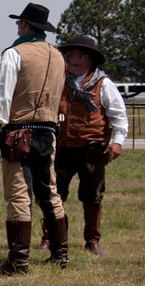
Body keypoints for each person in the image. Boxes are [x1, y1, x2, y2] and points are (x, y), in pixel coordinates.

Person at [0, 3, 67, 274]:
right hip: (48, 132)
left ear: (26, 25)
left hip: (19, 134)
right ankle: (60, 255)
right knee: (49, 192)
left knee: (19, 195)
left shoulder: (14, 54)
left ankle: (18, 261)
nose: (17, 27)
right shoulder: (58, 56)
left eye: (20, 23)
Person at [38, 35, 128, 255]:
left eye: (73, 55)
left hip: (92, 150)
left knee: (92, 196)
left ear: (86, 58)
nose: (68, 58)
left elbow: (119, 116)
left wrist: (117, 142)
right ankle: (51, 238)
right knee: (54, 195)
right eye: (67, 54)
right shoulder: (58, 82)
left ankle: (92, 240)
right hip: (62, 148)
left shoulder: (103, 84)